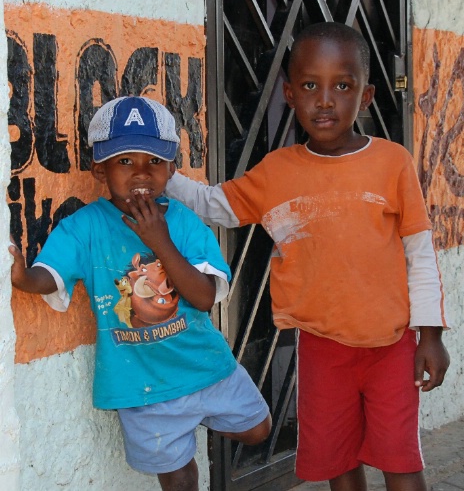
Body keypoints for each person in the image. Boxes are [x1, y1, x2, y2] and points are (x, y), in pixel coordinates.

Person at [165, 22, 450, 491]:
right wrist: (163, 175)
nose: (325, 100)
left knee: (400, 462)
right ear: (289, 94)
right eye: (310, 86)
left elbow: (419, 254)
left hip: (391, 346)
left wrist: (431, 336)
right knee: (337, 462)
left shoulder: (392, 162)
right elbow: (218, 205)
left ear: (368, 95)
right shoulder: (278, 172)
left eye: (342, 85)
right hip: (322, 347)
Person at [10, 96, 271, 491]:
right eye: (125, 161)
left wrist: (159, 240)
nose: (141, 173)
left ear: (170, 169)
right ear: (100, 169)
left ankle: (191, 418)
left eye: (154, 162)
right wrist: (21, 277)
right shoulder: (86, 227)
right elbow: (49, 276)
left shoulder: (183, 222)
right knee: (178, 477)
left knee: (259, 429)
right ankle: (177, 431)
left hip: (203, 366)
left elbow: (203, 298)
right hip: (142, 384)